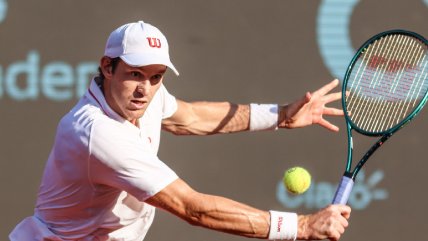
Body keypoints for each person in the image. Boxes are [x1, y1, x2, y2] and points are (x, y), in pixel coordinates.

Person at [9, 20, 351, 241]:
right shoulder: (99, 134)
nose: (145, 88)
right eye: (135, 74)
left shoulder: (140, 97)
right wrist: (301, 227)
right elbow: (193, 208)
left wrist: (280, 115)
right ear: (107, 67)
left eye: (156, 77)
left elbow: (188, 117)